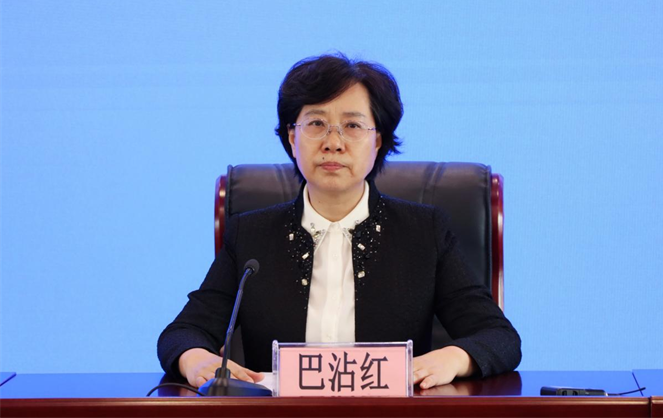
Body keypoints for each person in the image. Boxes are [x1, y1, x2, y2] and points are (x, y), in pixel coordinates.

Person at [157, 54, 521, 390]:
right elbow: (184, 333)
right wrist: (196, 358)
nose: (333, 142)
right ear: (292, 137)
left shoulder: (424, 233)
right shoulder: (251, 235)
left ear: (378, 141)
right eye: (316, 123)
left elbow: (498, 337)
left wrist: (452, 358)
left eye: (352, 125)